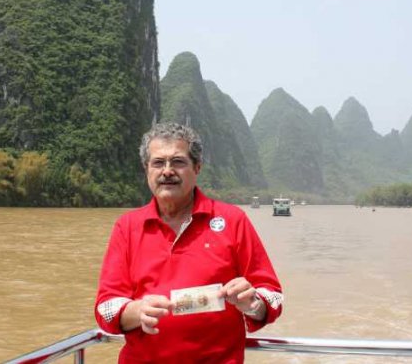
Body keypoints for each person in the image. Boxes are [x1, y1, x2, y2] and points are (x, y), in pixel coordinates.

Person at [95, 122, 283, 363]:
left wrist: (253, 303)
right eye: (158, 163)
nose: (167, 171)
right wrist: (137, 311)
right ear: (146, 169)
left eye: (178, 162)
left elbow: (273, 296)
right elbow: (105, 306)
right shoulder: (127, 227)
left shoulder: (232, 220)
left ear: (197, 168)